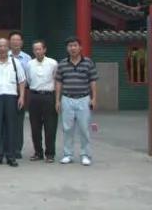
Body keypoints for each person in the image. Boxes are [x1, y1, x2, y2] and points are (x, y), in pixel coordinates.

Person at [56, 36, 98, 166]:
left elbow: (93, 81)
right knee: (67, 129)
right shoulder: (62, 63)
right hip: (67, 99)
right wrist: (57, 100)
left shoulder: (88, 62)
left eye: (75, 45)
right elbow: (58, 82)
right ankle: (68, 154)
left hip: (83, 99)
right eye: (70, 46)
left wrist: (94, 98)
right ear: (67, 48)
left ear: (80, 47)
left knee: (84, 128)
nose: (72, 48)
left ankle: (85, 155)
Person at [0, 38, 26, 167]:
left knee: (11, 126)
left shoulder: (15, 63)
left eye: (4, 46)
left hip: (11, 97)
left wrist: (22, 97)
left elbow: (22, 81)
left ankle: (11, 156)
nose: (2, 48)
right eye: (0, 46)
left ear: (8, 48)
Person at [26, 40, 59, 163]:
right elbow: (28, 80)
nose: (38, 51)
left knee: (50, 126)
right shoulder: (29, 64)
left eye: (40, 49)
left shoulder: (53, 63)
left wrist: (57, 100)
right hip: (34, 96)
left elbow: (56, 80)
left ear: (45, 50)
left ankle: (50, 153)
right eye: (35, 49)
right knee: (35, 126)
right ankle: (38, 152)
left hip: (49, 96)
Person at [8, 31, 32, 159]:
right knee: (6, 120)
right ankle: (7, 147)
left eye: (18, 40)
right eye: (13, 40)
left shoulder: (27, 59)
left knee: (18, 121)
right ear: (9, 42)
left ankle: (17, 149)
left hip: (21, 92)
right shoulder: (4, 56)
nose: (15, 42)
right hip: (6, 92)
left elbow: (29, 78)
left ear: (22, 43)